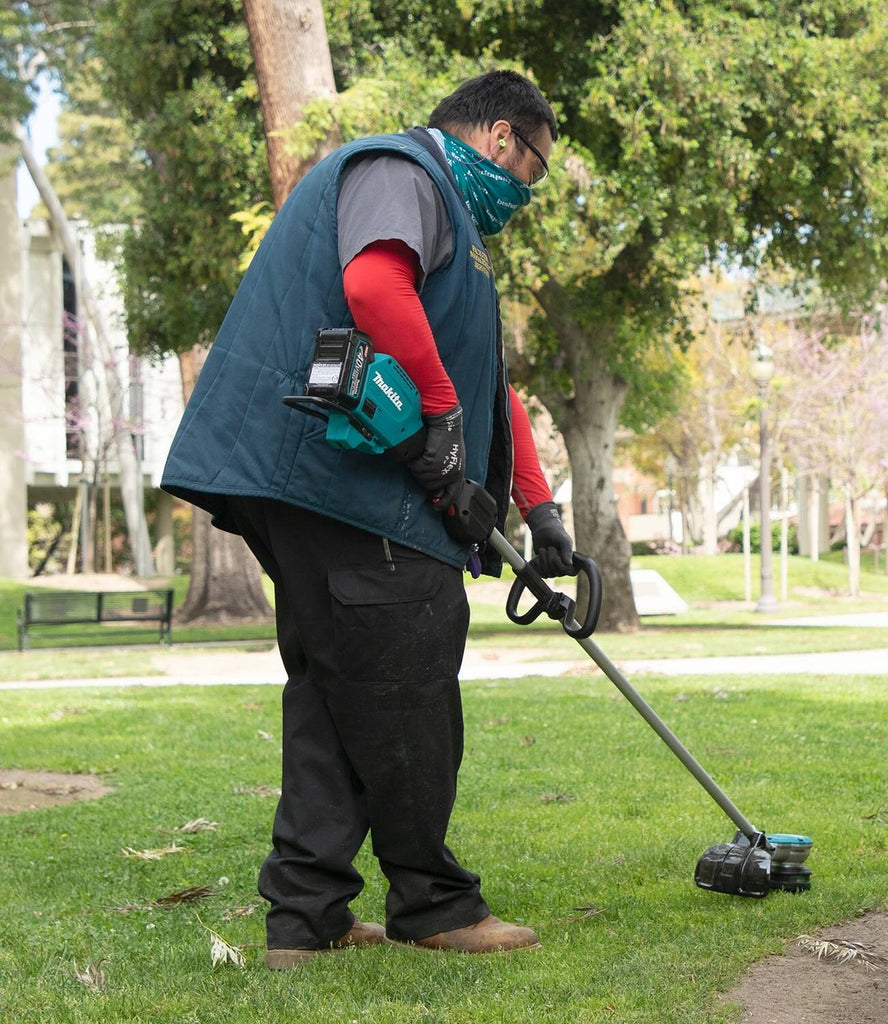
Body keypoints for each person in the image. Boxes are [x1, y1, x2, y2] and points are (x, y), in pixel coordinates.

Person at [161, 70, 574, 968]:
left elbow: (486, 386)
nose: (528, 192)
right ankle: (435, 905)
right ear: (502, 137)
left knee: (334, 696)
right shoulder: (404, 172)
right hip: (345, 485)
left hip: (321, 491)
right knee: (408, 685)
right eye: (535, 169)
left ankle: (305, 918)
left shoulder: (453, 229)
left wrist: (538, 509)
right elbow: (375, 289)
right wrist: (439, 416)